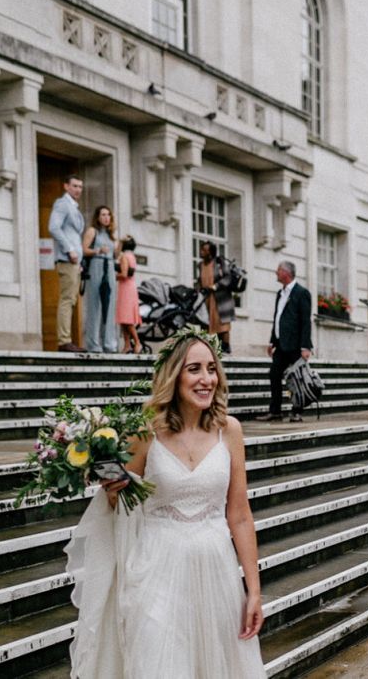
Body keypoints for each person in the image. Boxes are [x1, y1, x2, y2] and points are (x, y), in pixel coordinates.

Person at [66, 325, 266, 678]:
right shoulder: (145, 432)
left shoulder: (229, 430)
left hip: (216, 573)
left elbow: (239, 516)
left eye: (211, 368)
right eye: (194, 369)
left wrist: (253, 590)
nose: (207, 379)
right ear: (173, 376)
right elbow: (120, 504)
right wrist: (111, 492)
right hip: (156, 571)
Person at [255, 261, 312, 423]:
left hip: (295, 345)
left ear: (287, 273)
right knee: (274, 374)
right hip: (281, 344)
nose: (276, 273)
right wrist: (272, 341)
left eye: (278, 270)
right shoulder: (280, 294)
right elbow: (277, 318)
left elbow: (305, 321)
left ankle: (296, 411)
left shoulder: (302, 293)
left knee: (296, 379)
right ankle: (275, 411)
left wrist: (306, 346)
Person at [48, 174, 85, 352]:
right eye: (75, 186)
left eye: (80, 187)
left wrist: (80, 260)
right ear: (66, 186)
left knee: (70, 300)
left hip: (75, 263)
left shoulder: (74, 207)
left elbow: (73, 233)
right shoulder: (62, 204)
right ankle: (64, 341)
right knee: (66, 300)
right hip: (67, 259)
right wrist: (69, 249)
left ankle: (66, 339)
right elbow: (53, 227)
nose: (78, 190)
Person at [82, 205, 119, 353]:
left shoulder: (111, 235)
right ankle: (93, 343)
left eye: (108, 215)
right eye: (103, 215)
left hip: (109, 267)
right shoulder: (92, 231)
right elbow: (83, 249)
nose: (106, 217)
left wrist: (119, 248)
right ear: (98, 217)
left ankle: (110, 343)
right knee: (95, 305)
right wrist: (98, 250)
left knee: (109, 306)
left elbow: (115, 256)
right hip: (96, 265)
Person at [197, 241, 235, 354]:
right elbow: (199, 280)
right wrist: (198, 290)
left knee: (222, 325)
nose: (201, 252)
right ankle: (206, 347)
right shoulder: (200, 265)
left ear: (211, 252)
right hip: (206, 298)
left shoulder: (219, 262)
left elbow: (228, 278)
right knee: (205, 322)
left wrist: (215, 286)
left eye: (204, 250)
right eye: (202, 249)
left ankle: (226, 347)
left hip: (221, 298)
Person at [116, 235, 142, 354]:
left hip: (125, 288)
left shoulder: (124, 256)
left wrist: (113, 275)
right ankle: (127, 345)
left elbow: (124, 274)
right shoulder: (132, 256)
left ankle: (137, 342)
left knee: (126, 319)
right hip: (130, 287)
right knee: (124, 318)